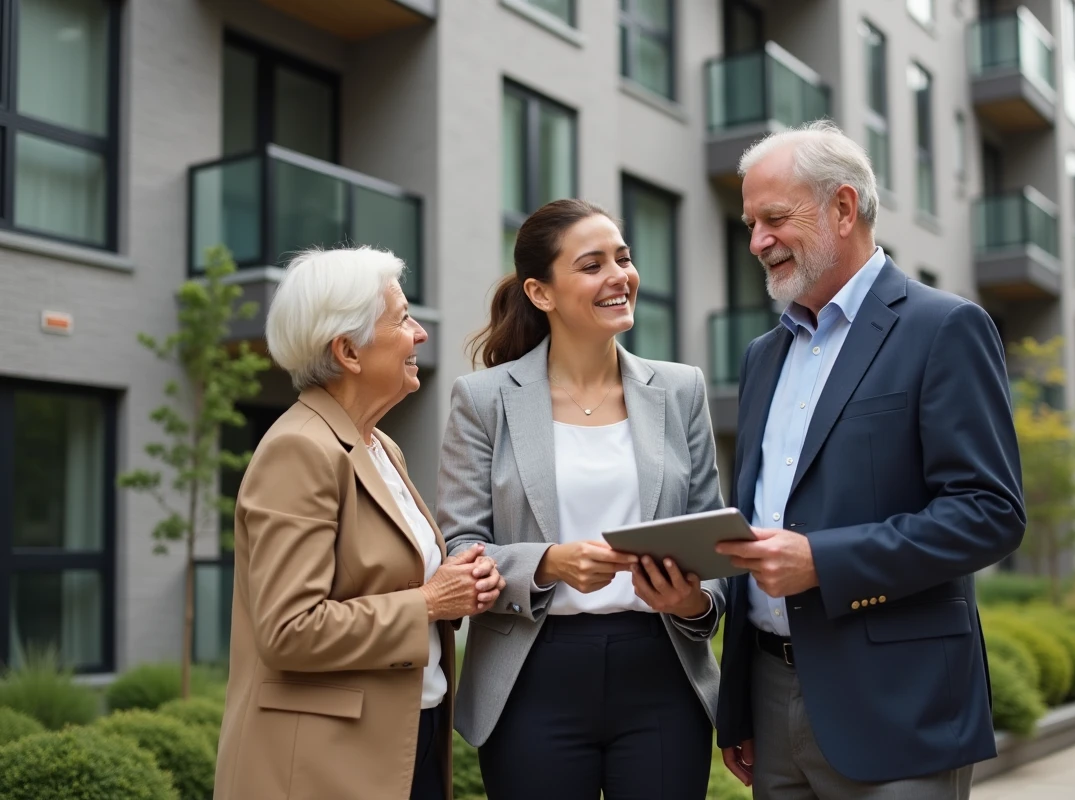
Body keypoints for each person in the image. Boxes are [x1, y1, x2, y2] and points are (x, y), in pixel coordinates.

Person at [713, 121, 1026, 799]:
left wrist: (823, 561)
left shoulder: (944, 328)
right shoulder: (763, 356)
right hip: (770, 700)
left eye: (773, 218)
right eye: (749, 223)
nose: (757, 241)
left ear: (844, 208)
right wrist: (737, 701)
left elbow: (990, 513)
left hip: (900, 708)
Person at [437, 199, 726, 800]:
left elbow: (715, 540)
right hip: (531, 674)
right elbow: (461, 548)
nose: (620, 277)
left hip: (663, 673)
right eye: (592, 265)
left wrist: (693, 601)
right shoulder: (483, 399)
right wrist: (549, 564)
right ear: (541, 293)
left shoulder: (680, 389)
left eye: (623, 258)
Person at [213, 246, 504, 800]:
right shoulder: (299, 449)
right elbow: (289, 630)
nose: (420, 333)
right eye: (402, 319)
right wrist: (429, 602)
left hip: (404, 738)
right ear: (347, 351)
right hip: (326, 763)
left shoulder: (378, 445)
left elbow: (394, 585)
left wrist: (460, 586)